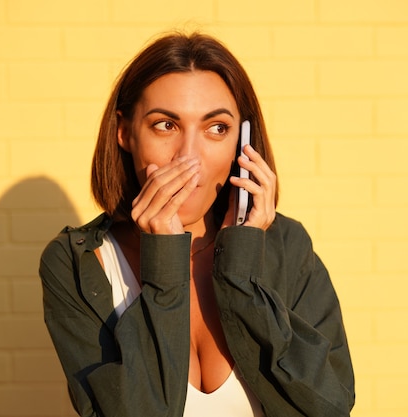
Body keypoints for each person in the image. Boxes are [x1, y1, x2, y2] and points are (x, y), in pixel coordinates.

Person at [39, 31, 355, 417]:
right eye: (165, 125)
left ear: (243, 141)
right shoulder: (77, 263)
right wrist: (165, 263)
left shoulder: (288, 245)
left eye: (217, 128)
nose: (189, 158)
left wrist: (241, 273)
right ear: (124, 132)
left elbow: (331, 407)